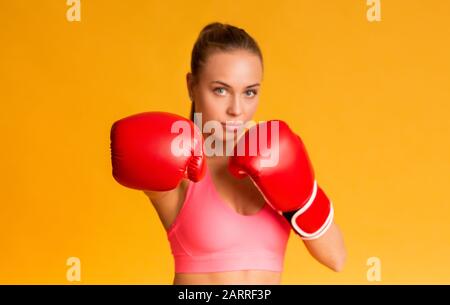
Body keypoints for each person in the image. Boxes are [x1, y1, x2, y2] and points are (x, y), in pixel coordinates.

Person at [110, 22, 346, 285]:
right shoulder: (180, 167)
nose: (236, 109)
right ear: (191, 86)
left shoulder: (276, 155)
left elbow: (336, 258)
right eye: (220, 90)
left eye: (249, 92)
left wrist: (302, 200)